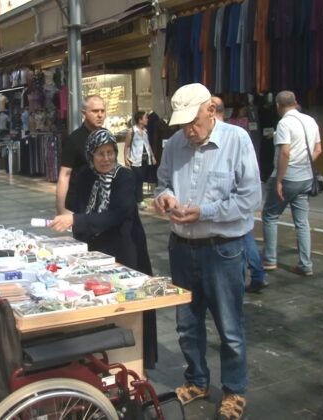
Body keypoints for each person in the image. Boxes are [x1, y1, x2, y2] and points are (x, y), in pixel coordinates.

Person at [154, 83, 261, 420]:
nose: (189, 130)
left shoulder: (236, 140)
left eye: (194, 122)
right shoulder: (174, 144)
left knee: (229, 327)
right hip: (182, 247)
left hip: (223, 249)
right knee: (186, 323)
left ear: (211, 111)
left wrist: (205, 212)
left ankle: (234, 390)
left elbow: (249, 199)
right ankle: (197, 379)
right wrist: (165, 197)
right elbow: (163, 182)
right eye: (183, 124)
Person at [49, 128, 157, 368]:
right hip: (94, 250)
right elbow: (74, 205)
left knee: (127, 307)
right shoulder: (85, 176)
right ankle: (101, 359)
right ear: (91, 155)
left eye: (110, 153)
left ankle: (134, 362)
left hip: (124, 249)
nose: (107, 158)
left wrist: (77, 220)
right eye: (100, 153)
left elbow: (117, 214)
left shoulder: (125, 177)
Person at [261, 91, 322, 276]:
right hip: (306, 178)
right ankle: (306, 264)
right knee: (302, 222)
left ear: (278, 106)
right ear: (296, 102)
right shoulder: (310, 121)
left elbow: (285, 153)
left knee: (270, 216)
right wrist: (304, 162)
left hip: (288, 176)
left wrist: (279, 180)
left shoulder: (284, 124)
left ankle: (270, 260)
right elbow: (318, 149)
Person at [212, 96, 268, 293]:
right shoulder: (238, 131)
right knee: (245, 235)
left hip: (232, 198)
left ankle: (253, 273)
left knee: (241, 236)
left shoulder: (235, 133)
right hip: (234, 197)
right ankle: (257, 273)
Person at [56, 95, 106, 214]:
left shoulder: (106, 136)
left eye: (102, 111)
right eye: (95, 111)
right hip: (81, 203)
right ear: (84, 113)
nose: (100, 115)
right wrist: (61, 210)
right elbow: (64, 174)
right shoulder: (74, 139)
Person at [123, 110, 156, 210]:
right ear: (140, 120)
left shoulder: (145, 132)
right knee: (138, 179)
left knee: (141, 180)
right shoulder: (132, 131)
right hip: (135, 160)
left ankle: (137, 199)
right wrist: (126, 158)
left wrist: (153, 156)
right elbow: (127, 146)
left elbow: (147, 145)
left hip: (145, 160)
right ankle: (138, 200)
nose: (147, 120)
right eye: (145, 118)